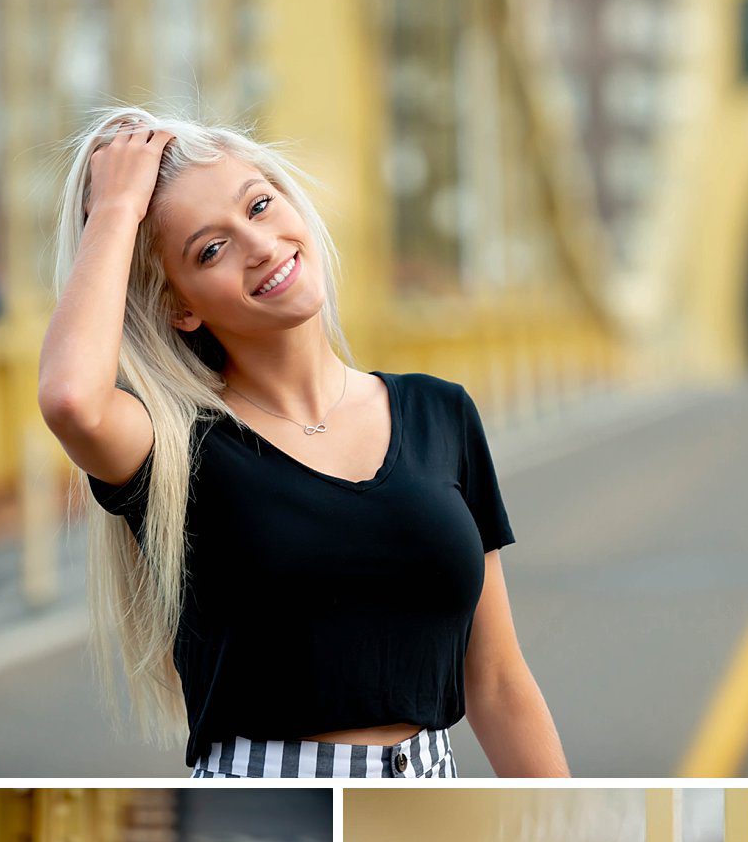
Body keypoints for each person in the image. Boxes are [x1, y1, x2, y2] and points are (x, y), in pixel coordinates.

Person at [38, 107, 569, 779]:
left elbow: (496, 680)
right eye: (211, 249)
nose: (259, 245)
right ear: (180, 306)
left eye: (260, 206)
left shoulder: (442, 414)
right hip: (270, 814)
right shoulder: (172, 447)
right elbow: (71, 401)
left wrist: (555, 825)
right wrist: (115, 209)